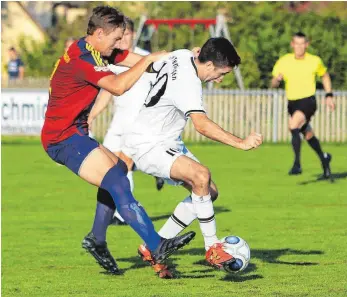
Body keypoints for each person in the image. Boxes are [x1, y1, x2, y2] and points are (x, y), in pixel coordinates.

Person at [41, 6, 195, 275]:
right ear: (99, 33)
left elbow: (138, 58)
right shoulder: (82, 60)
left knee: (119, 173)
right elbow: (119, 86)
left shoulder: (95, 49)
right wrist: (147, 62)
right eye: (116, 39)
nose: (119, 44)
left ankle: (97, 239)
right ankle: (156, 245)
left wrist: (186, 60)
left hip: (74, 133)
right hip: (62, 139)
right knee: (117, 180)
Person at [93, 37, 263, 277]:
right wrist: (241, 143)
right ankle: (212, 248)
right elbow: (201, 125)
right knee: (201, 175)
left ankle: (154, 246)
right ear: (211, 65)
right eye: (222, 73)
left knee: (208, 191)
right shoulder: (188, 83)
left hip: (165, 140)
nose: (220, 79)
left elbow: (173, 56)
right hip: (149, 144)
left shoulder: (183, 55)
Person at [88, 17, 165, 226]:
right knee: (109, 168)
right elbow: (107, 91)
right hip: (118, 122)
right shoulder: (112, 58)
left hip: (139, 122)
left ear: (132, 34)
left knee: (125, 165)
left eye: (125, 34)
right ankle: (155, 172)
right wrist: (92, 115)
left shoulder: (145, 58)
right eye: (118, 36)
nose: (121, 39)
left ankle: (123, 214)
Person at [271, 32, 335, 178]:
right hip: (292, 103)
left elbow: (325, 76)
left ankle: (297, 164)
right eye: (296, 44)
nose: (299, 47)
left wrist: (329, 95)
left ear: (307, 45)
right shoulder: (284, 61)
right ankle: (324, 158)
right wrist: (277, 80)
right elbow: (273, 83)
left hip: (308, 101)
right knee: (307, 134)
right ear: (292, 44)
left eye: (302, 44)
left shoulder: (314, 61)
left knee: (293, 125)